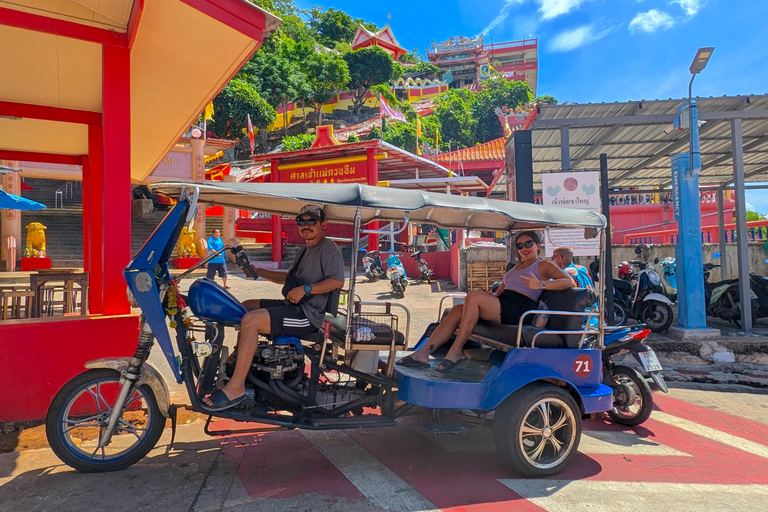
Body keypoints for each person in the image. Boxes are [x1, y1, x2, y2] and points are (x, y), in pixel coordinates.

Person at [203, 204, 345, 410]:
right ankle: (238, 362)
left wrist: (306, 289)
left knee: (251, 321)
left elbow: (337, 281)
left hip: (307, 315)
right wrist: (258, 271)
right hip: (293, 305)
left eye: (311, 221)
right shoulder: (305, 250)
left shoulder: (328, 248)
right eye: (301, 222)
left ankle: (236, 387)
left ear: (323, 225)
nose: (306, 226)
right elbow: (287, 279)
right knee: (245, 306)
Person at [397, 231, 574, 372]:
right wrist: (493, 295)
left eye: (529, 244)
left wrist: (540, 284)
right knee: (457, 310)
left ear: (537, 245)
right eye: (520, 245)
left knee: (472, 296)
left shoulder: (542, 265)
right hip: (504, 303)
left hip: (520, 310)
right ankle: (422, 353)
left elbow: (569, 282)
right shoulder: (514, 267)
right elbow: (502, 291)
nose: (524, 248)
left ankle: (456, 351)